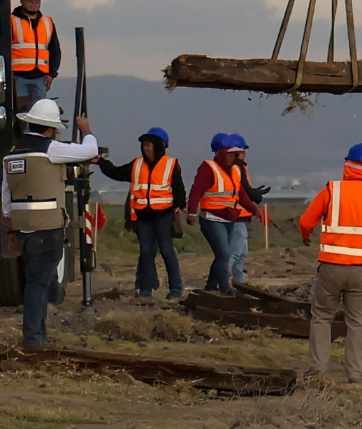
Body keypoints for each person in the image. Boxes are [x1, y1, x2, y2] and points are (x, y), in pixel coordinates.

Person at [0, 97, 100, 347]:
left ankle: (39, 334)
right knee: (38, 283)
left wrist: (14, 229)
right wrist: (86, 129)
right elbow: (90, 151)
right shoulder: (50, 149)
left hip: (23, 228)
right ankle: (34, 338)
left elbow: (5, 199)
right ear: (50, 128)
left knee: (37, 279)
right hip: (48, 227)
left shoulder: (11, 156)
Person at [296, 143, 362, 384]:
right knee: (358, 322)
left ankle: (317, 371)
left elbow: (305, 221)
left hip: (331, 267)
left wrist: (305, 235)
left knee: (322, 317)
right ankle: (356, 374)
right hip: (361, 270)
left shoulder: (332, 190)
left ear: (347, 164)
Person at [96, 126, 185, 299]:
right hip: (143, 218)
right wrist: (100, 161)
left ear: (159, 146)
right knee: (146, 252)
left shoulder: (171, 164)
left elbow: (179, 189)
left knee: (167, 251)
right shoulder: (136, 165)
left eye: (149, 144)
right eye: (144, 144)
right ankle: (145, 289)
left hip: (164, 216)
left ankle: (175, 289)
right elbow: (115, 172)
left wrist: (180, 206)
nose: (145, 148)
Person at [190, 133, 261, 293]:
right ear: (220, 153)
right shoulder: (208, 168)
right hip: (211, 218)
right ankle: (224, 288)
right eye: (231, 153)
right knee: (224, 253)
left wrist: (255, 210)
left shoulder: (236, 170)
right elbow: (196, 191)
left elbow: (240, 194)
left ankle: (211, 286)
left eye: (235, 153)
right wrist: (192, 213)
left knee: (222, 255)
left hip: (228, 218)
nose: (234, 156)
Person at [7, 0, 59, 104]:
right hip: (17, 77)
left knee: (38, 112)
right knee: (20, 114)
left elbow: (55, 51)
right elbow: (2, 51)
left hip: (40, 78)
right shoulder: (12, 21)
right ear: (22, 1)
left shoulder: (47, 23)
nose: (33, 3)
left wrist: (51, 74)